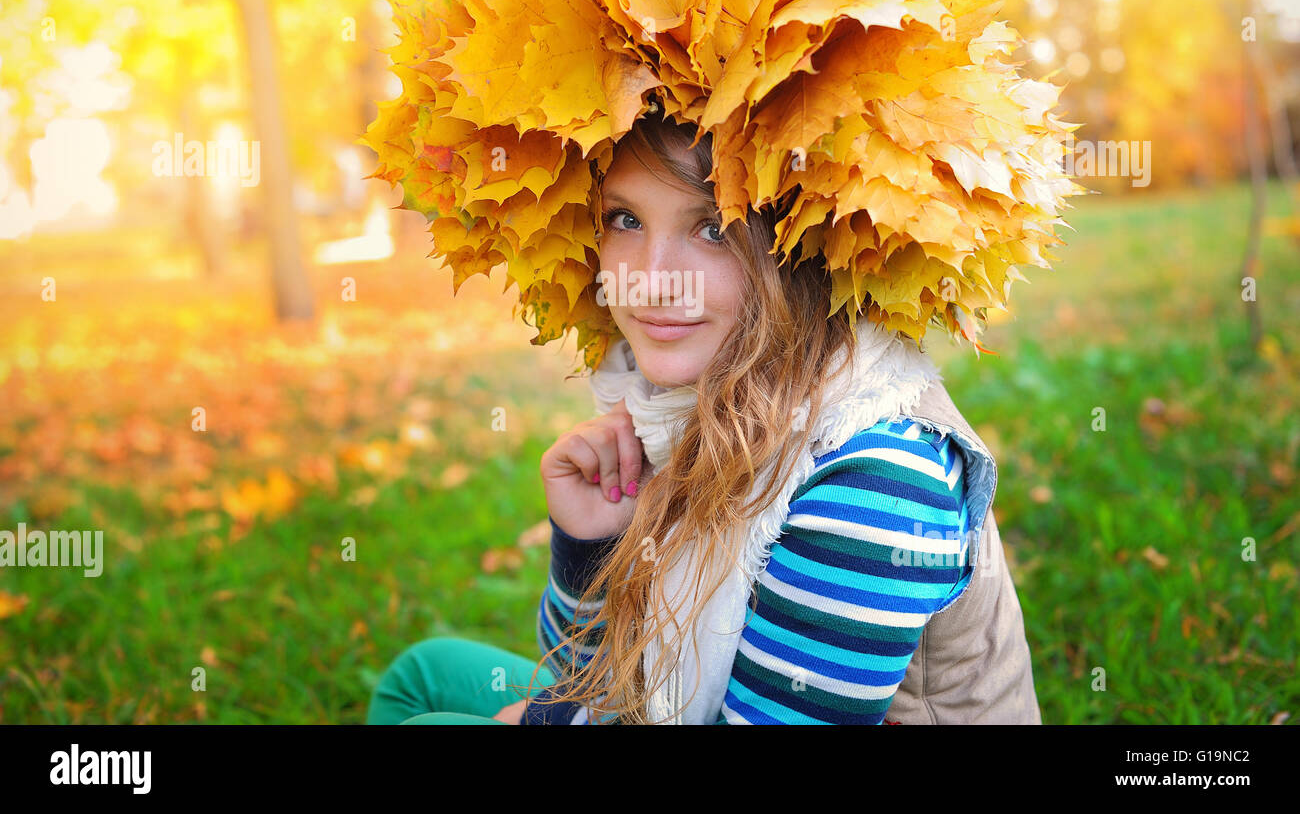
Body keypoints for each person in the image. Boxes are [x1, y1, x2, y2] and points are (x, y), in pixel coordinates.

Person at [366, 110, 1042, 725]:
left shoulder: (876, 483)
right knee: (422, 678)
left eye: (713, 227)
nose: (651, 279)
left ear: (801, 248)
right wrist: (589, 547)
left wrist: (538, 724)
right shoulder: (702, 401)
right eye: (624, 219)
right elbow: (596, 681)